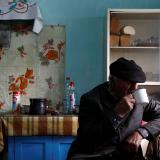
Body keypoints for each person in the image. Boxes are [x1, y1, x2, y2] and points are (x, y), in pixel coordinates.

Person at [67, 57, 160, 160]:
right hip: (93, 155)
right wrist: (116, 114)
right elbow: (89, 137)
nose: (134, 88)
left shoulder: (140, 97)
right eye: (129, 83)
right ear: (113, 80)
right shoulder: (90, 99)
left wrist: (141, 133)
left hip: (127, 155)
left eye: (136, 83)